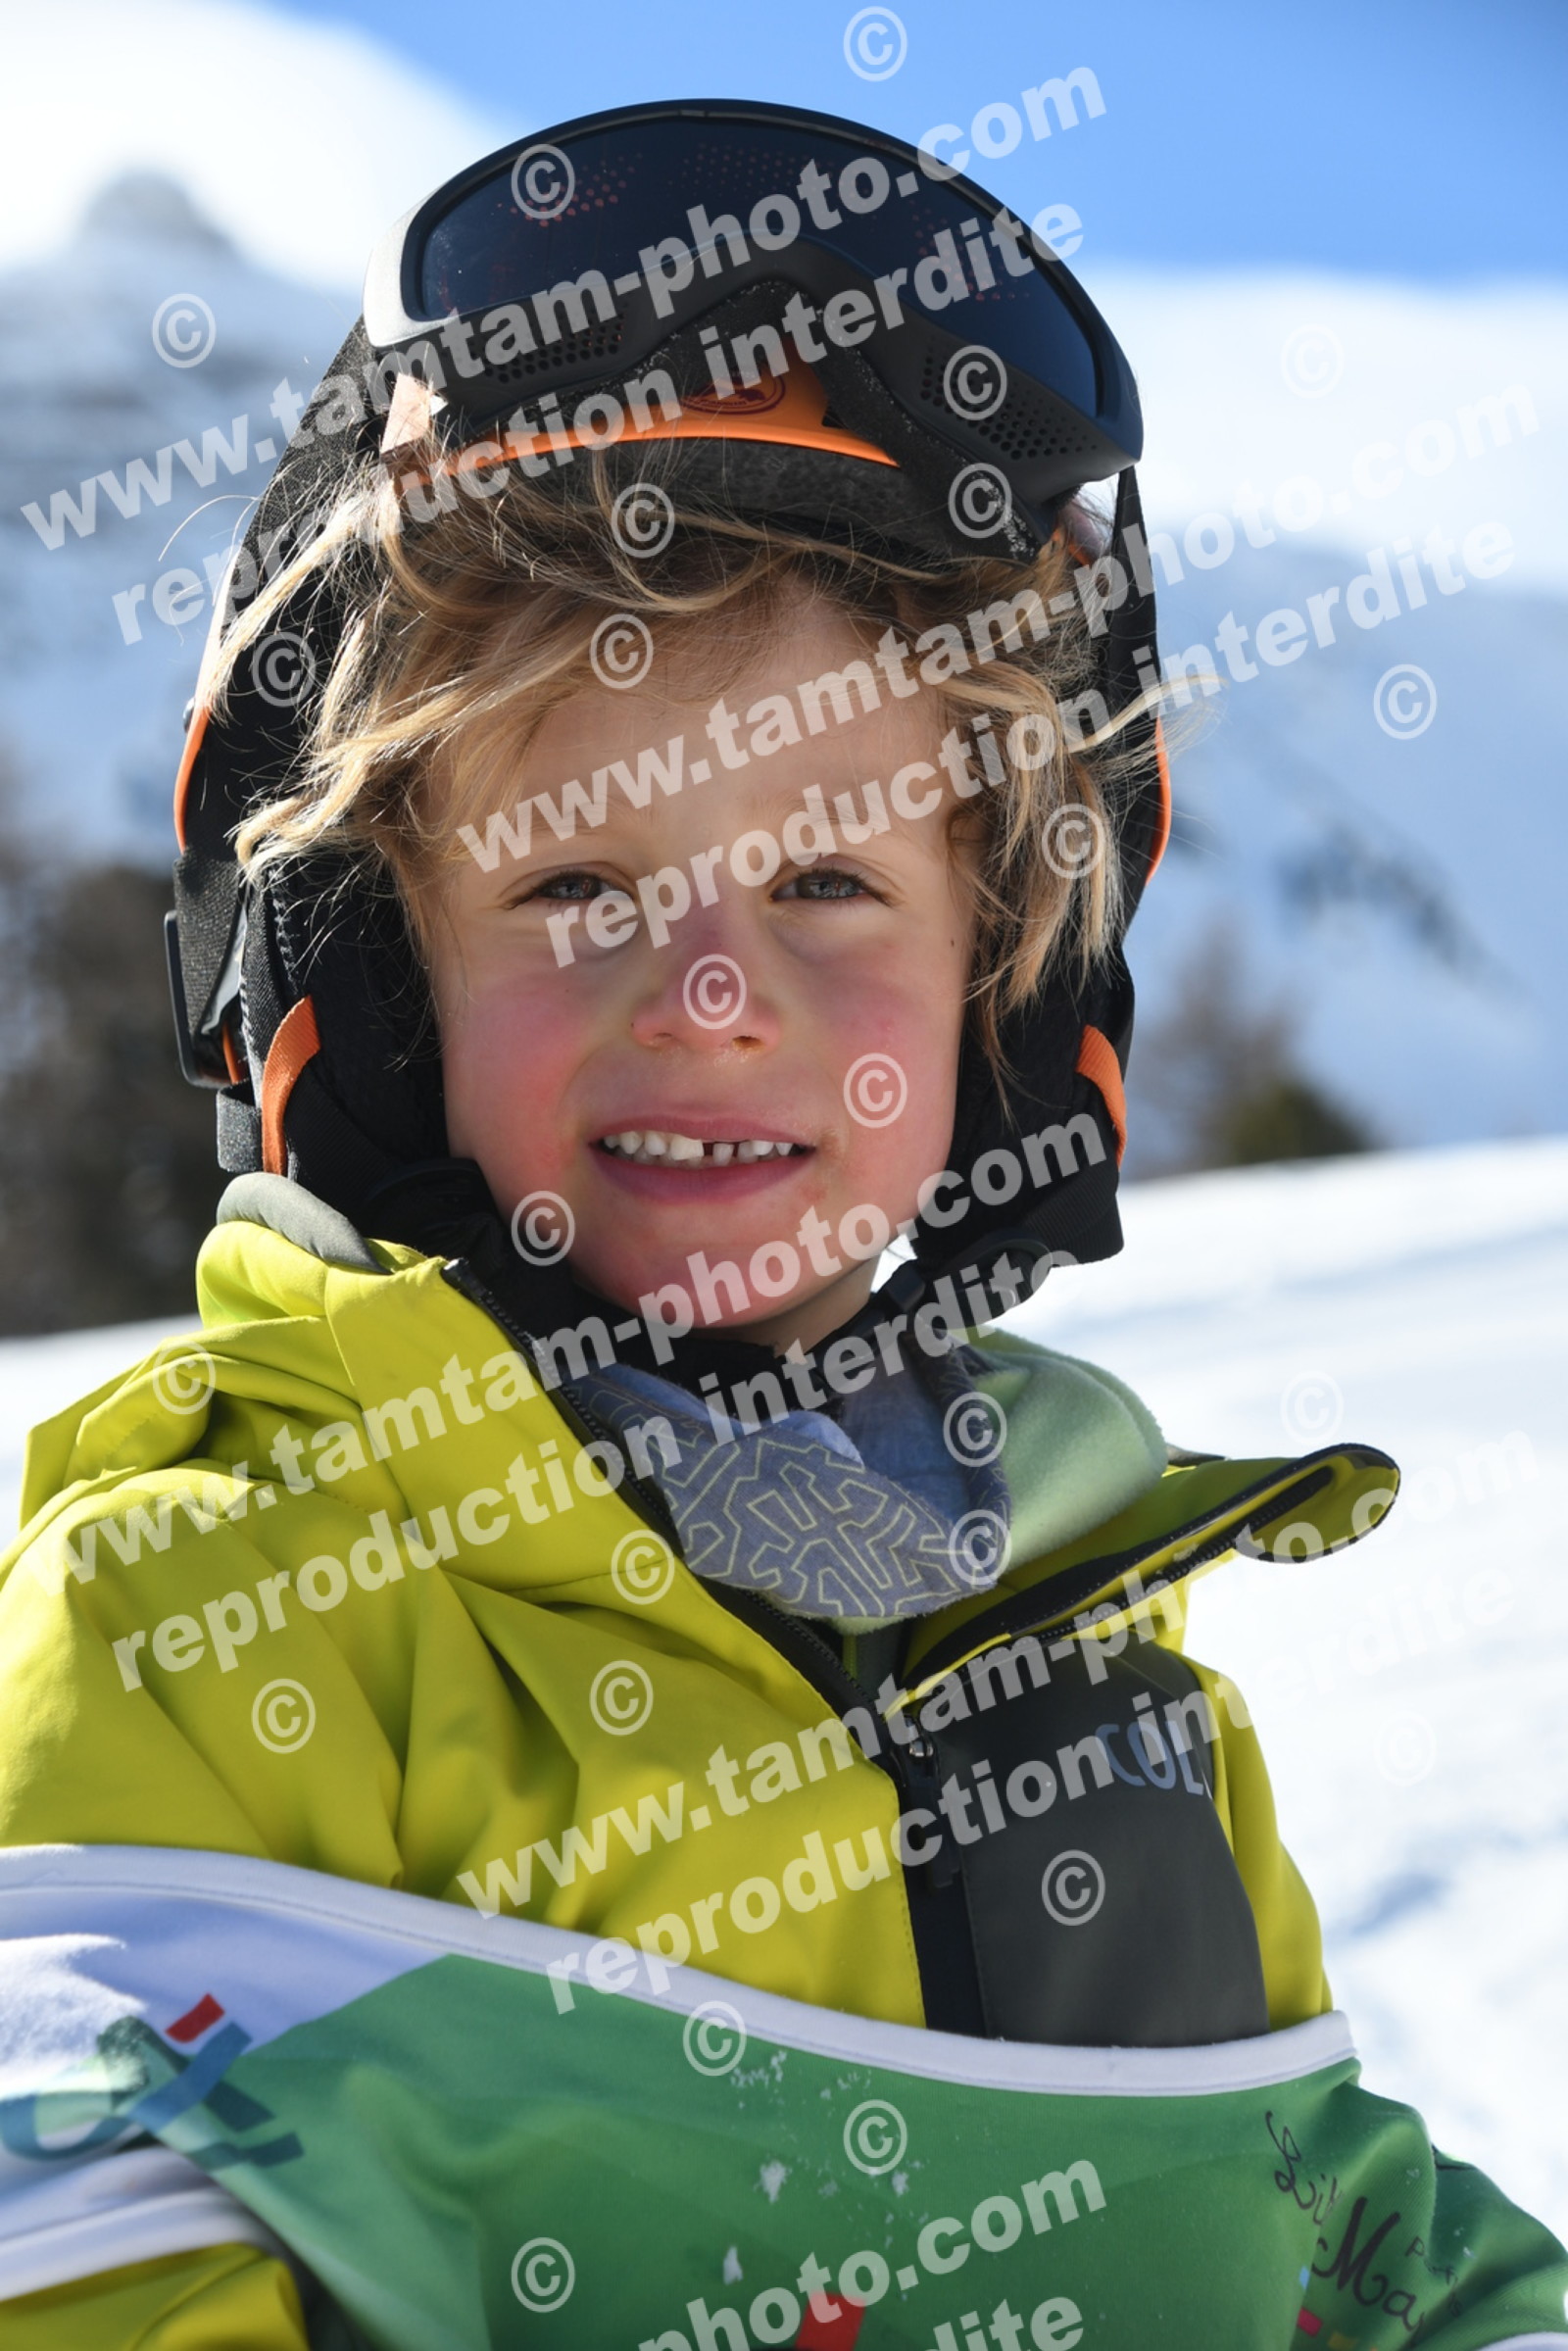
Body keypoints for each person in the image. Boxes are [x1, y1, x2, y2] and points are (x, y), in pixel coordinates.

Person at [0, 101, 1562, 2351]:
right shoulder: (199, 1624)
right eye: (574, 887)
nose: (712, 997)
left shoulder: (1125, 1714)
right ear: (375, 991)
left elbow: (1360, 2267)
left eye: (828, 880)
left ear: (999, 998)